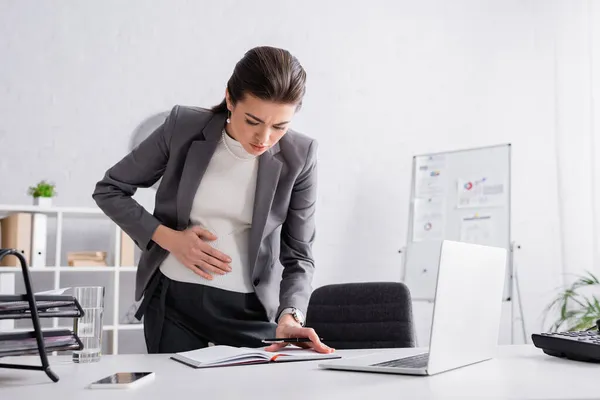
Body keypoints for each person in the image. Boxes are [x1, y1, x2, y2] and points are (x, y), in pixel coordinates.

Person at [92, 46, 333, 355]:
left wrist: (290, 316)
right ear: (230, 99)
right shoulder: (183, 126)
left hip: (250, 312)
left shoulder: (301, 155)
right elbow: (110, 189)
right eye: (253, 120)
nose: (264, 138)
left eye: (279, 126)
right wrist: (170, 239)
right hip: (173, 303)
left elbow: (299, 255)